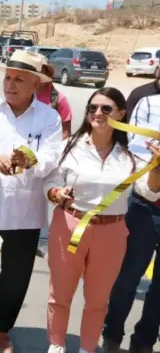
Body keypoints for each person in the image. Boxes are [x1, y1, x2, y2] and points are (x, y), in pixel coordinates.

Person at [44, 87, 160, 353]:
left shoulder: (130, 155)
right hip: (69, 225)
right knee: (60, 295)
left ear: (120, 114)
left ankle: (87, 348)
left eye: (106, 109)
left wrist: (156, 167)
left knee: (97, 301)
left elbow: (149, 190)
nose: (97, 113)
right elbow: (49, 179)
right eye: (92, 107)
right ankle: (56, 344)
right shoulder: (69, 148)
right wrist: (56, 193)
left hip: (112, 232)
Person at [0, 50, 63, 353]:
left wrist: (29, 159)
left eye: (19, 79)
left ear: (36, 85)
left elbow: (52, 157)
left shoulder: (49, 118)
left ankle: (1, 327)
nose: (11, 84)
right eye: (8, 77)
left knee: (16, 276)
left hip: (26, 211)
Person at [103, 91, 160, 353]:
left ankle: (144, 342)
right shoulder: (149, 104)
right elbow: (137, 166)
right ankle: (112, 336)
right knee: (127, 279)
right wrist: (157, 169)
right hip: (145, 206)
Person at [34, 63, 73, 259]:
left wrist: (57, 153)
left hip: (50, 156)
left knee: (43, 195)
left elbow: (66, 130)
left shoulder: (58, 99)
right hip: (27, 154)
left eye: (44, 72)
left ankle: (41, 240)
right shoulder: (26, 93)